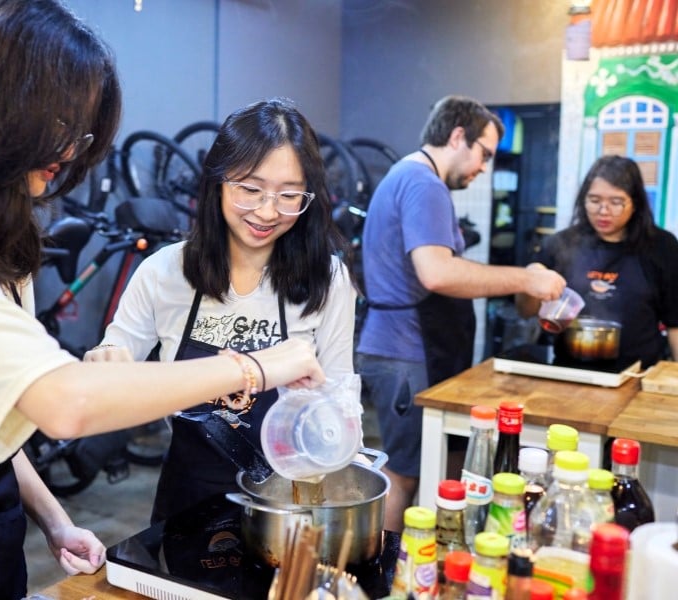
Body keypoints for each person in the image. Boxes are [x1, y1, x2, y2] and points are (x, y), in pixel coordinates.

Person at [0, 3, 324, 599]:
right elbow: (65, 402)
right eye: (61, 126)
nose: (68, 152)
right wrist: (258, 365)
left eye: (288, 196)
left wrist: (54, 519)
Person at [84, 97, 358, 523]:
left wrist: (330, 419)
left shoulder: (329, 279)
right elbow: (115, 361)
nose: (268, 212)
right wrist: (108, 360)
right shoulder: (165, 272)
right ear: (217, 182)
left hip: (287, 500)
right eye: (250, 189)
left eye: (289, 196)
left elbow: (341, 396)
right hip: (187, 493)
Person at [355, 95, 566, 533]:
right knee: (403, 475)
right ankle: (389, 577)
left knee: (418, 467)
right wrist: (525, 280)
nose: (484, 168)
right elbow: (437, 273)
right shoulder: (423, 184)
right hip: (407, 352)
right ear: (457, 137)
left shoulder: (406, 177)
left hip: (400, 349)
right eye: (484, 154)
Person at [516, 154, 678, 368]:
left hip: (637, 377)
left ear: (635, 203)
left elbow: (676, 323)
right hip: (570, 373)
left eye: (616, 202)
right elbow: (525, 311)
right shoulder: (561, 244)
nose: (603, 211)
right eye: (594, 201)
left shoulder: (661, 246)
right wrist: (529, 279)